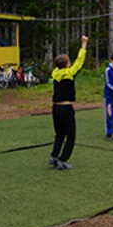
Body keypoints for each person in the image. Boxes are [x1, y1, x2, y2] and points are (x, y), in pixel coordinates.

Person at [49, 35, 88, 170]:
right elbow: (79, 61)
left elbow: (64, 65)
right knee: (71, 135)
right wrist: (83, 44)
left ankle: (54, 155)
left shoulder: (55, 73)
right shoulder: (70, 73)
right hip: (66, 108)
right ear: (67, 64)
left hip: (55, 108)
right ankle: (63, 159)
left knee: (59, 134)